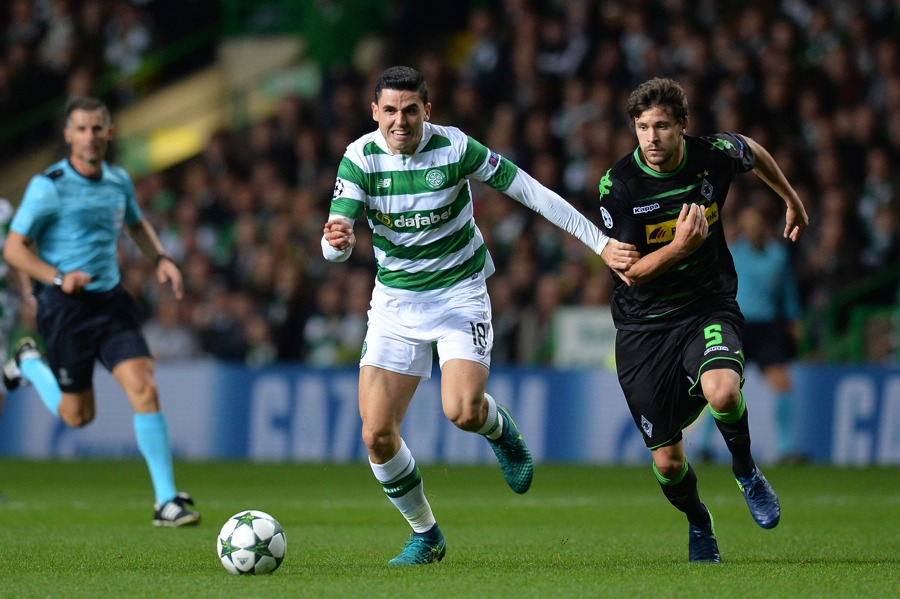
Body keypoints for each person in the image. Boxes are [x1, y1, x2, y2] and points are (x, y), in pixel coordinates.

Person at [322, 65, 638, 565]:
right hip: (395, 303)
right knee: (376, 435)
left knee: (462, 410)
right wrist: (335, 243)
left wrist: (600, 243)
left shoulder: (455, 149)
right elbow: (336, 239)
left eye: (410, 111)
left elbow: (529, 190)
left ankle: (499, 430)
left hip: (457, 294)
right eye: (389, 111)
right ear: (374, 112)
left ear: (427, 111)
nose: (399, 122)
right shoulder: (359, 158)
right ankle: (426, 535)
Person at [597, 78, 808, 563]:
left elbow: (750, 149)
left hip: (706, 307)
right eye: (642, 127)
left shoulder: (711, 154)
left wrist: (790, 199)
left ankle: (746, 471)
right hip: (643, 328)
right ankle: (699, 521)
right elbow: (631, 274)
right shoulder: (620, 186)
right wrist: (680, 246)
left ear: (682, 127)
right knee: (669, 463)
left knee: (724, 391)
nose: (651, 138)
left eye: (662, 127)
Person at [3, 96, 200, 528]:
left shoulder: (117, 180)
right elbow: (14, 248)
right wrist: (56, 278)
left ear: (109, 133)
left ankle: (166, 501)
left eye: (97, 129)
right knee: (77, 416)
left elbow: (135, 222)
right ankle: (29, 365)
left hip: (110, 303)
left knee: (144, 387)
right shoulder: (48, 185)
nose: (90, 137)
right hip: (65, 308)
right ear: (68, 135)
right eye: (82, 129)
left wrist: (162, 258)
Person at [696, 203, 806, 465]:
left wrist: (793, 319)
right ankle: (703, 446)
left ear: (765, 225)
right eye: (748, 223)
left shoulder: (778, 256)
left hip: (767, 328)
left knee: (782, 384)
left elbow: (787, 292)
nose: (752, 228)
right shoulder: (733, 253)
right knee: (722, 387)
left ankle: (786, 449)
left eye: (756, 223)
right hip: (737, 325)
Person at [0, 196, 62, 417]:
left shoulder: (3, 212)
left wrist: (28, 294)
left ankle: (22, 365)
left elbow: (17, 253)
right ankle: (23, 364)